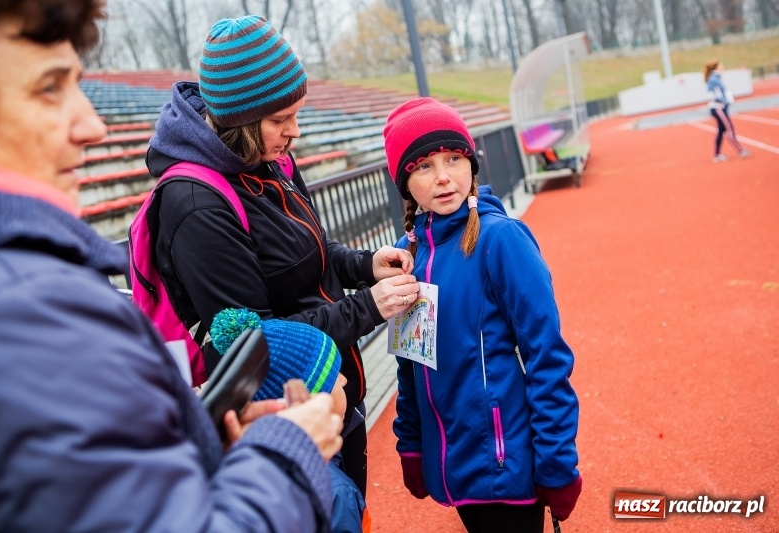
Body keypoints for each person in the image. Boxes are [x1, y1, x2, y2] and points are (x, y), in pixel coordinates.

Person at [0, 2, 343, 531]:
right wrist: (290, 448)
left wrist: (203, 435)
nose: (92, 126)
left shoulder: (28, 287)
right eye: (49, 87)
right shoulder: (23, 307)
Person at [139, 14, 419, 497]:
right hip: (286, 418)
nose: (295, 131)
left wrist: (363, 264)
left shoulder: (266, 156)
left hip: (335, 393)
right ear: (241, 120)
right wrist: (369, 307)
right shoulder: (196, 205)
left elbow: (310, 251)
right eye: (280, 120)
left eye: (296, 114)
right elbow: (255, 344)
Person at [382, 97, 582, 533]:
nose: (443, 177)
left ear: (471, 164)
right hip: (451, 465)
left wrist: (557, 462)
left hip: (506, 463)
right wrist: (411, 443)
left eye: (454, 158)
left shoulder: (501, 240)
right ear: (405, 183)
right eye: (423, 166)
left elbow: (547, 356)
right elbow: (409, 363)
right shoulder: (406, 254)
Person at [210, 308, 372, 533]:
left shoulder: (242, 474)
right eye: (334, 376)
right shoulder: (336, 491)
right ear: (309, 401)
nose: (344, 380)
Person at [704, 60, 751, 163]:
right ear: (716, 67)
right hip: (718, 108)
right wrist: (723, 100)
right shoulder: (713, 79)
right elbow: (711, 94)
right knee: (729, 128)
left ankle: (717, 155)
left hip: (720, 108)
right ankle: (741, 150)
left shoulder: (716, 78)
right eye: (721, 66)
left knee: (721, 131)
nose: (723, 67)